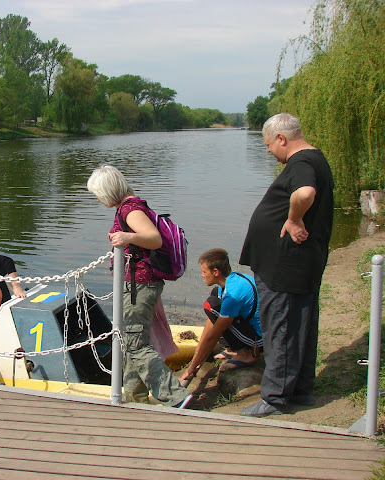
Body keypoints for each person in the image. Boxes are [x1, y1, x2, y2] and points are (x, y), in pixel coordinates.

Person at [239, 113, 334, 417]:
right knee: (302, 323)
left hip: (284, 265)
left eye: (268, 144)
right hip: (300, 262)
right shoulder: (315, 158)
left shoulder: (302, 163)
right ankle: (301, 389)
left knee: (279, 326)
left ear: (282, 138)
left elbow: (305, 193)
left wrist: (293, 219)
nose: (268, 150)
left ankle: (275, 399)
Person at [87, 164, 191, 409]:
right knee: (129, 341)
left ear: (108, 191)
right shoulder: (130, 206)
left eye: (98, 194)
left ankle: (176, 396)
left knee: (135, 344)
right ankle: (136, 399)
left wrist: (128, 237)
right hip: (139, 284)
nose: (98, 199)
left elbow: (154, 239)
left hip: (139, 285)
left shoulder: (130, 209)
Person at [179, 248, 262, 388]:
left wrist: (192, 368)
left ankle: (246, 354)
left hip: (259, 340)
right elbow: (211, 322)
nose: (202, 275)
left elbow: (214, 334)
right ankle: (232, 349)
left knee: (211, 305)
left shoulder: (232, 296)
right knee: (214, 300)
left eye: (204, 272)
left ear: (215, 272)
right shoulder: (234, 279)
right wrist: (198, 354)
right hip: (253, 327)